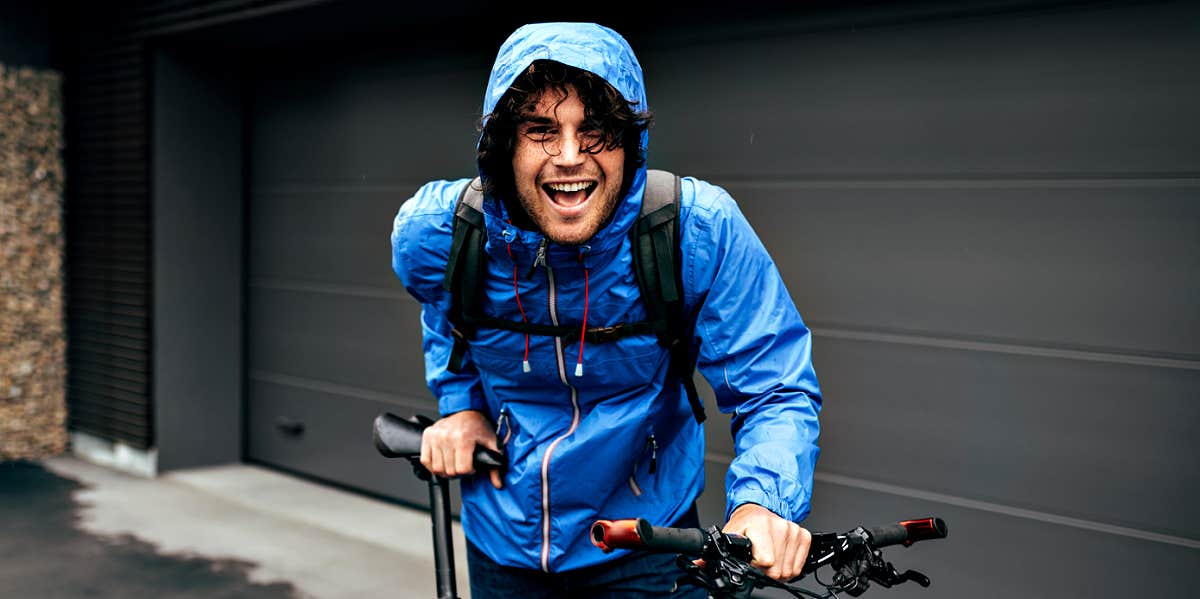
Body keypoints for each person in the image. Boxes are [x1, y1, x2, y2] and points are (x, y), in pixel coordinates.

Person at [391, 22, 822, 597]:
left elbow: (774, 386)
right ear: (504, 144)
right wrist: (461, 405)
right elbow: (445, 314)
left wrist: (762, 504)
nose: (569, 157)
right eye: (541, 130)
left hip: (647, 540)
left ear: (629, 143)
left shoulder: (695, 230)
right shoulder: (438, 233)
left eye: (594, 131)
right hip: (502, 539)